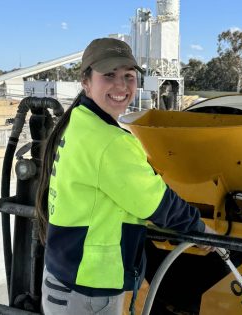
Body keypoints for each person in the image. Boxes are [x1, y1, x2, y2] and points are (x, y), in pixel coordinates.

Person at [35, 37, 212, 315]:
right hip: (89, 286)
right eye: (109, 75)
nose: (121, 86)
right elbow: (155, 203)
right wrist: (200, 230)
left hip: (64, 273)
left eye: (128, 76)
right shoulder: (110, 142)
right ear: (85, 81)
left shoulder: (77, 122)